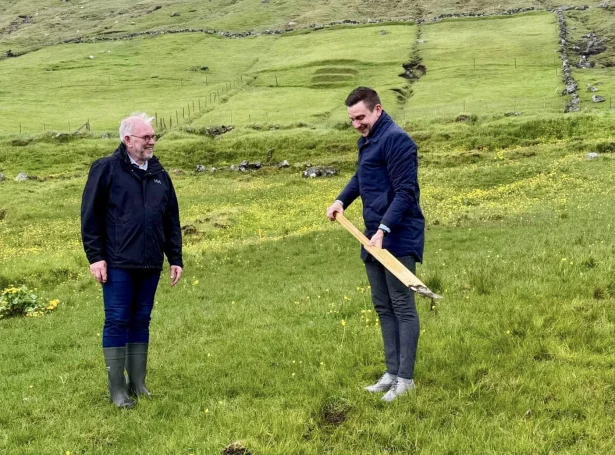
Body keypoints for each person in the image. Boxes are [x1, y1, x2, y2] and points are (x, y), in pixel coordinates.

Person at [326, 87, 424, 402]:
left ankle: (405, 380)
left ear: (377, 110)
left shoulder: (397, 140)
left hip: (397, 234)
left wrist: (384, 229)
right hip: (373, 235)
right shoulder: (369, 141)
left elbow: (405, 192)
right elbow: (361, 177)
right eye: (352, 119)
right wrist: (341, 200)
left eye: (361, 117)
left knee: (401, 305)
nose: (356, 124)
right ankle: (392, 373)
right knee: (383, 305)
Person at [81, 113, 183, 408]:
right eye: (146, 137)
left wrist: (175, 257)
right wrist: (96, 257)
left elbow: (171, 218)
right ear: (127, 140)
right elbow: (90, 217)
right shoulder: (106, 169)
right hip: (117, 263)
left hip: (150, 262)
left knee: (141, 319)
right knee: (117, 320)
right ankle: (117, 390)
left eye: (153, 136)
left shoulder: (159, 173)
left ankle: (138, 384)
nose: (152, 141)